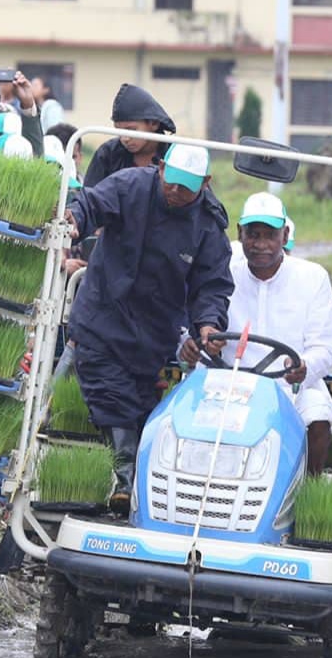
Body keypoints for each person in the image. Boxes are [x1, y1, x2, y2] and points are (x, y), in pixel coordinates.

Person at [64, 143, 233, 514]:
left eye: (186, 187)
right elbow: (92, 203)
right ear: (161, 168)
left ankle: (143, 495)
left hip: (153, 332)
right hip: (102, 316)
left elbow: (212, 286)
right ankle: (124, 481)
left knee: (143, 410)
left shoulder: (208, 226)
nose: (175, 190)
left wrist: (208, 325)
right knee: (111, 398)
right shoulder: (130, 185)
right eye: (171, 181)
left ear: (205, 183)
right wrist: (75, 218)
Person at [182, 192, 332, 472]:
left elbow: (325, 349)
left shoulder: (312, 277)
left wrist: (304, 367)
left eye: (270, 235)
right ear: (239, 233)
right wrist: (192, 345)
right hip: (224, 381)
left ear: (285, 235)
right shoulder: (222, 271)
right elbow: (191, 329)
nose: (261, 244)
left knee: (318, 418)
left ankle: (310, 488)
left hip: (288, 386)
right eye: (253, 235)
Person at [82, 82, 175, 187]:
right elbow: (89, 194)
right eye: (119, 131)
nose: (125, 138)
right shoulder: (107, 154)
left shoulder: (176, 156)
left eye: (131, 130)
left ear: (154, 123)